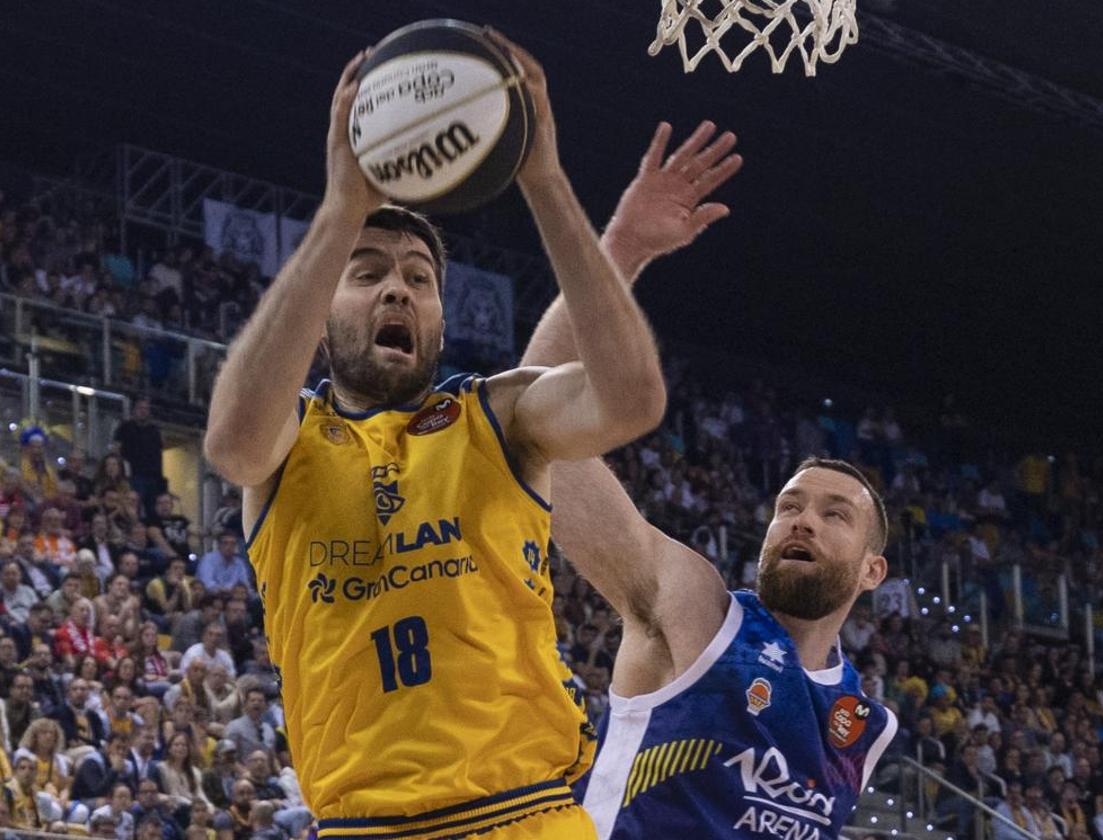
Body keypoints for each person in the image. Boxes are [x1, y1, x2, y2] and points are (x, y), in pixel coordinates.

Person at [204, 34, 668, 839]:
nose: (398, 287)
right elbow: (233, 443)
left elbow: (629, 398)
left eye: (419, 279)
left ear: (441, 319)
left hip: (522, 815)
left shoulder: (500, 415)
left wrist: (545, 181)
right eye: (368, 272)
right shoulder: (287, 442)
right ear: (322, 312)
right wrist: (340, 207)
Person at [513, 119, 894, 837]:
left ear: (872, 570)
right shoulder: (697, 610)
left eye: (834, 514)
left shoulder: (863, 725)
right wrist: (621, 250)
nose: (802, 520)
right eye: (788, 506)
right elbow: (540, 430)